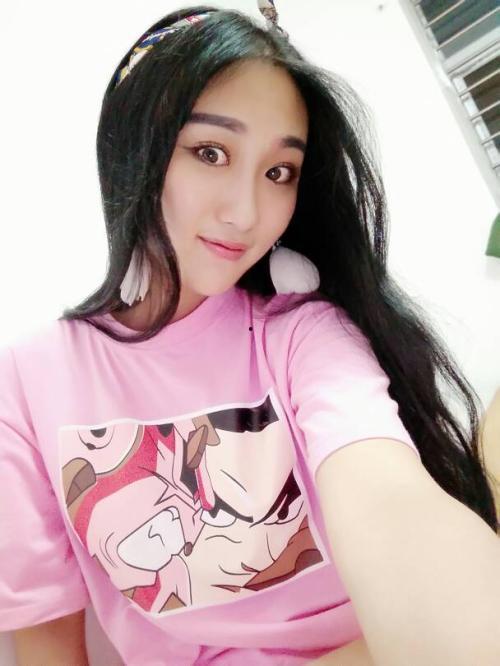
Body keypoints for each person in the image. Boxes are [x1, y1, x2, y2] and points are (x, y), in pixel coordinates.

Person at [1, 3, 499, 665]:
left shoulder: (303, 333)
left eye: (278, 172)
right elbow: (47, 648)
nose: (245, 212)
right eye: (210, 152)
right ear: (133, 149)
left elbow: (387, 495)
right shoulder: (28, 382)